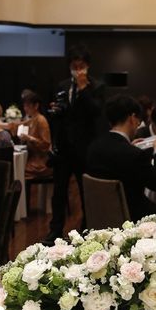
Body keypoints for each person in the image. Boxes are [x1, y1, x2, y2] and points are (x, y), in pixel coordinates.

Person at [45, 44, 105, 242]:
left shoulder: (97, 86)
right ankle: (55, 230)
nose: (77, 70)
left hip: (85, 148)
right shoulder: (62, 86)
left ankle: (87, 228)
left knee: (85, 190)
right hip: (63, 147)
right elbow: (60, 114)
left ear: (87, 66)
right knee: (59, 192)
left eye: (81, 66)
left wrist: (83, 88)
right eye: (74, 66)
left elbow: (96, 111)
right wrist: (55, 110)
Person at [85, 95, 156, 221]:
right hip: (133, 220)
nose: (138, 124)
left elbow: (116, 160)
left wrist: (130, 146)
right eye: (138, 120)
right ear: (132, 118)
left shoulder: (93, 147)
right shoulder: (134, 155)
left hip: (99, 216)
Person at [20, 91, 52, 179]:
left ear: (36, 106)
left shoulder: (41, 120)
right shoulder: (32, 119)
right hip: (33, 158)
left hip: (40, 162)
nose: (25, 109)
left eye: (28, 106)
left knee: (19, 169)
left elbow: (46, 144)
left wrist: (30, 138)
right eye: (24, 106)